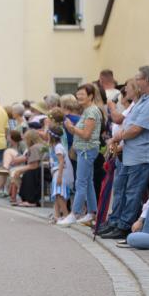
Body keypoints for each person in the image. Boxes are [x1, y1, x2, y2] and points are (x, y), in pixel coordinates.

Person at [98, 67, 149, 240]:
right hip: (132, 153)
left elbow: (137, 129)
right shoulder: (145, 98)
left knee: (132, 192)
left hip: (143, 154)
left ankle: (124, 226)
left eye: (138, 78)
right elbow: (130, 122)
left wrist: (117, 137)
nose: (135, 81)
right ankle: (115, 221)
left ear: (146, 80)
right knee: (121, 188)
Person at [60, 83, 103, 224]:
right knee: (88, 182)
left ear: (90, 96)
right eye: (78, 94)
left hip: (86, 150)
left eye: (82, 94)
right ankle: (92, 212)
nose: (79, 96)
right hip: (84, 150)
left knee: (81, 182)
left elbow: (86, 134)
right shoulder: (87, 110)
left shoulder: (91, 111)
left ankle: (74, 213)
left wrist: (71, 128)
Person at [49, 126, 73, 221]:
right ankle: (57, 215)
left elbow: (61, 162)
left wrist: (59, 176)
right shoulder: (57, 146)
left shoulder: (58, 147)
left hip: (60, 173)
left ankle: (66, 215)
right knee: (57, 194)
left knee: (59, 195)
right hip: (58, 172)